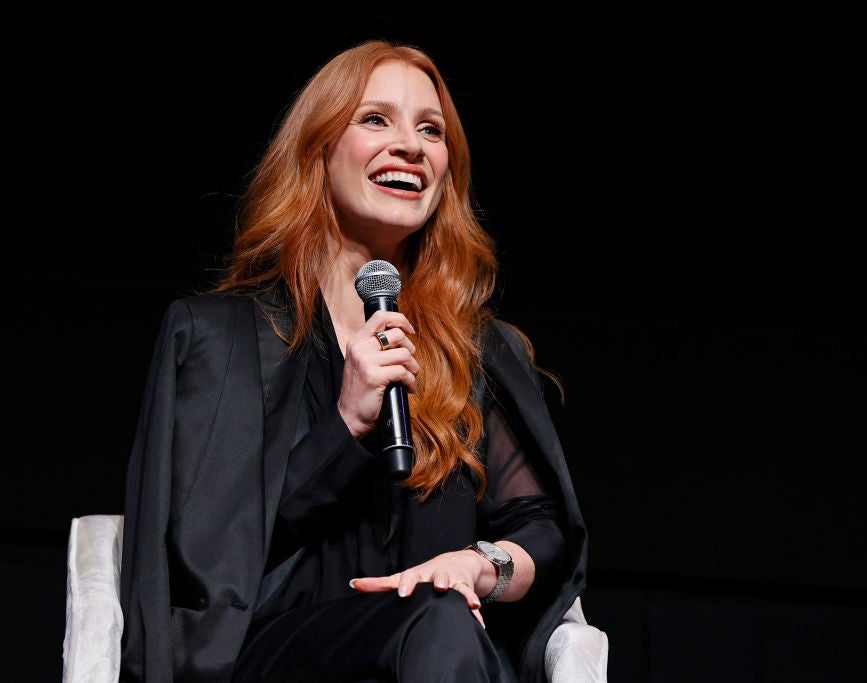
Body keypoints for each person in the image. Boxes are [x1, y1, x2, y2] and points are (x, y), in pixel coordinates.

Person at [118, 39, 589, 683]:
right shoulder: (217, 338)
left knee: (446, 621)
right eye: (375, 119)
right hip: (276, 660)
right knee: (441, 626)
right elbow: (207, 555)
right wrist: (344, 425)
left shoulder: (476, 350)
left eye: (431, 129)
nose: (411, 146)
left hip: (437, 650)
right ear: (318, 148)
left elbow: (541, 524)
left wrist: (480, 564)